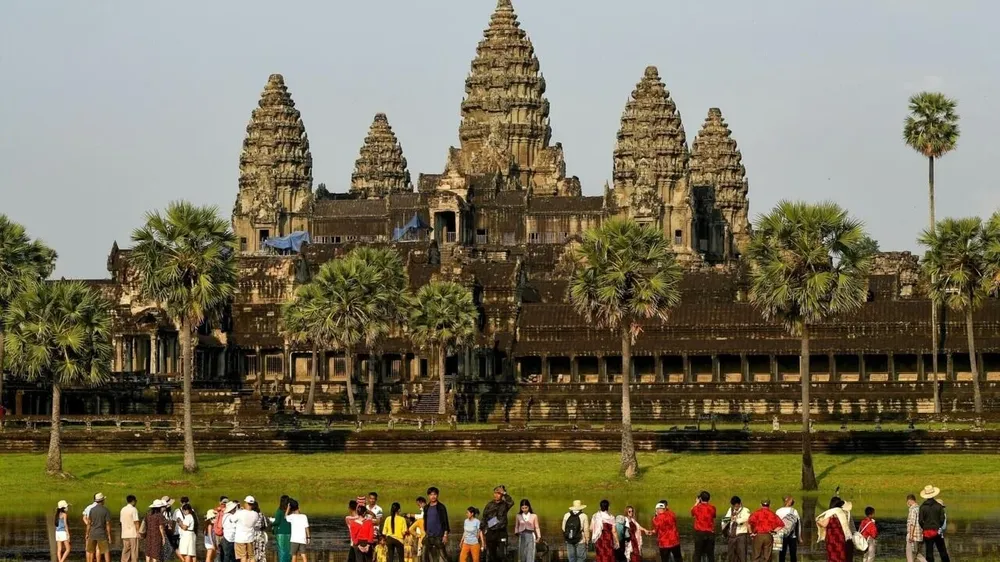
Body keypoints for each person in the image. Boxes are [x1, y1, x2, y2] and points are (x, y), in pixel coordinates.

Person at [482, 485, 514, 562]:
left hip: (501, 532)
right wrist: (484, 529)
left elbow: (511, 502)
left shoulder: (505, 504)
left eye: (499, 493)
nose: (496, 495)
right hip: (491, 532)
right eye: (495, 493)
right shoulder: (489, 505)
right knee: (491, 555)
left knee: (502, 554)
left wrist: (505, 493)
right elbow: (484, 517)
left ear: (502, 495)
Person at [917, 485, 949, 562]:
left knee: (929, 552)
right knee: (942, 551)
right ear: (934, 494)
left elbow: (920, 520)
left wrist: (924, 527)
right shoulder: (939, 506)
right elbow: (942, 518)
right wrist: (938, 526)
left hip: (927, 531)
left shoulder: (922, 507)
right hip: (937, 530)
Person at [422, 488, 450, 562]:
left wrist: (445, 535)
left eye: (434, 494)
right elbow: (425, 521)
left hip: (439, 536)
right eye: (431, 494)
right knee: (424, 556)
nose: (433, 496)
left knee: (443, 556)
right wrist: (425, 532)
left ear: (437, 495)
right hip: (428, 536)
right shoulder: (426, 507)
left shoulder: (441, 507)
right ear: (428, 496)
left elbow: (445, 521)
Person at [233, 497, 262, 562]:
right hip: (250, 538)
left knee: (243, 556)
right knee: (251, 556)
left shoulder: (240, 512)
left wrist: (239, 510)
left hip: (240, 539)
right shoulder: (256, 514)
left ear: (246, 503)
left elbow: (232, 519)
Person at [722, 496, 750, 562]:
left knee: (742, 555)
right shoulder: (730, 510)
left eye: (737, 506)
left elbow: (746, 518)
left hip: (741, 535)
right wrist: (730, 518)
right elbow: (724, 520)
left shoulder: (745, 510)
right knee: (731, 556)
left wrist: (736, 519)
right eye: (734, 506)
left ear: (740, 503)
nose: (736, 508)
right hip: (731, 536)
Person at [87, 493, 114, 562]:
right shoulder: (106, 510)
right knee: (106, 551)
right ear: (102, 501)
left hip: (92, 533)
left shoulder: (92, 510)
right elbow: (107, 524)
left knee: (91, 551)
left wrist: (87, 533)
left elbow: (89, 523)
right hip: (102, 534)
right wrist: (109, 535)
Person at [691, 491, 716, 562]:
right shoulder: (712, 508)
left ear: (700, 498)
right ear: (709, 499)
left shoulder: (697, 508)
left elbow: (692, 512)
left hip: (700, 533)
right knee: (710, 554)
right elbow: (714, 516)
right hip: (710, 533)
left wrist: (696, 502)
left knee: (697, 554)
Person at [775, 496, 801, 562]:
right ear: (791, 503)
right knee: (793, 554)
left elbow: (775, 524)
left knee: (782, 554)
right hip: (792, 535)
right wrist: (799, 537)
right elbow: (798, 525)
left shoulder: (778, 511)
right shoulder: (794, 511)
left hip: (781, 535)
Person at [905, 495, 927, 562]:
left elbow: (912, 523)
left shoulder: (912, 509)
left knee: (910, 556)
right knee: (917, 554)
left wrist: (911, 536)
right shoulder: (919, 508)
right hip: (920, 536)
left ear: (909, 501)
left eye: (907, 502)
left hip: (913, 536)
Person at [121, 495, 142, 562]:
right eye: (135, 501)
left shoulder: (123, 509)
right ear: (133, 501)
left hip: (124, 534)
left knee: (125, 551)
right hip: (133, 534)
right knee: (134, 552)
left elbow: (121, 521)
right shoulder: (133, 509)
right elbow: (136, 522)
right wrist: (138, 532)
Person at [274, 496, 292, 562]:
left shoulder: (279, 511)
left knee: (281, 551)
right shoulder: (290, 511)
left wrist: (270, 523)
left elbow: (277, 522)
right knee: (288, 550)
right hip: (289, 533)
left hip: (281, 533)